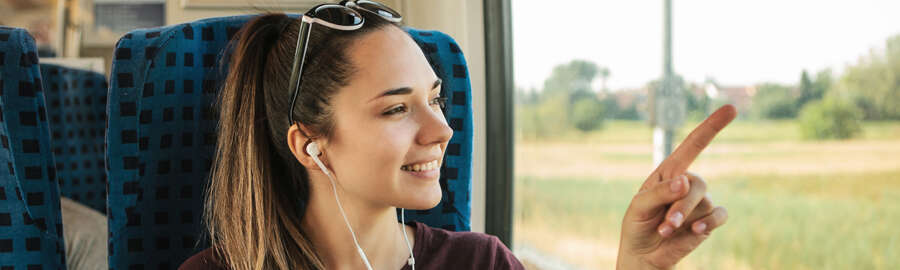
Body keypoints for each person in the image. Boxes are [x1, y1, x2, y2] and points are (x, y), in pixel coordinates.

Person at [180, 1, 734, 269]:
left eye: (436, 99)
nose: (442, 130)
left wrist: (635, 267)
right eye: (397, 108)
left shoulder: (480, 264)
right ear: (309, 145)